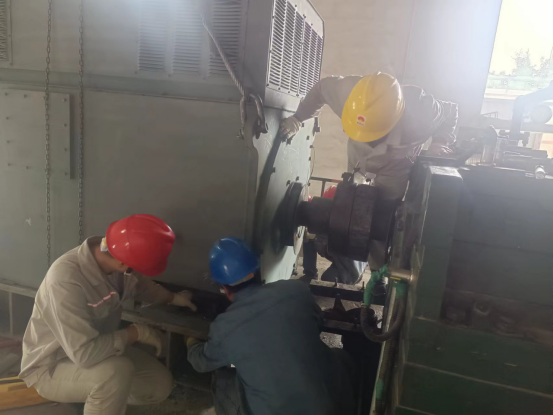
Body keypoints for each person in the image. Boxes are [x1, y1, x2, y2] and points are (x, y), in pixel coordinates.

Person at [281, 72, 458, 283]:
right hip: (358, 154)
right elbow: (320, 90)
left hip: (397, 165)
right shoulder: (350, 94)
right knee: (348, 200)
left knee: (384, 215)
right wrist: (297, 118)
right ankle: (346, 263)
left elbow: (451, 112)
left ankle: (378, 274)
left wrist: (440, 142)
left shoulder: (422, 112)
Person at [20, 214, 197, 415]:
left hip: (100, 347)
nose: (136, 272)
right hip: (54, 364)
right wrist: (136, 333)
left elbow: (141, 286)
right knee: (115, 374)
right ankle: (99, 393)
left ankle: (98, 396)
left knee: (158, 384)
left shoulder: (117, 260)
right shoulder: (65, 282)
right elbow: (85, 355)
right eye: (135, 268)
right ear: (123, 264)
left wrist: (173, 298)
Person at [187, 238, 356, 415]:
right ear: (257, 269)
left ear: (224, 288)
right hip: (335, 406)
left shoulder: (225, 327)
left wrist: (190, 340)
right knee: (337, 356)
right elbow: (317, 323)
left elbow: (201, 362)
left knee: (222, 379)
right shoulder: (297, 290)